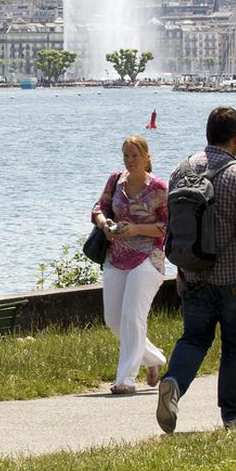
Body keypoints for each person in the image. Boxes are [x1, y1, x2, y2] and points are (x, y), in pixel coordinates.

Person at [157, 106, 236, 433]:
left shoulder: (181, 171)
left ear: (208, 133)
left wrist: (180, 270)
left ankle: (173, 383)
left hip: (192, 274)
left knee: (193, 338)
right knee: (234, 343)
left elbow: (175, 229)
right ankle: (234, 415)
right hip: (233, 279)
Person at [91, 135, 169, 395]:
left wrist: (136, 229)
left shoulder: (158, 188)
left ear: (147, 157)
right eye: (126, 155)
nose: (130, 160)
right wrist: (105, 225)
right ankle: (154, 359)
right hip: (116, 255)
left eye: (135, 155)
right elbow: (99, 208)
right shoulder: (116, 180)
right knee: (113, 319)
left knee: (132, 316)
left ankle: (126, 379)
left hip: (148, 257)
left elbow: (167, 227)